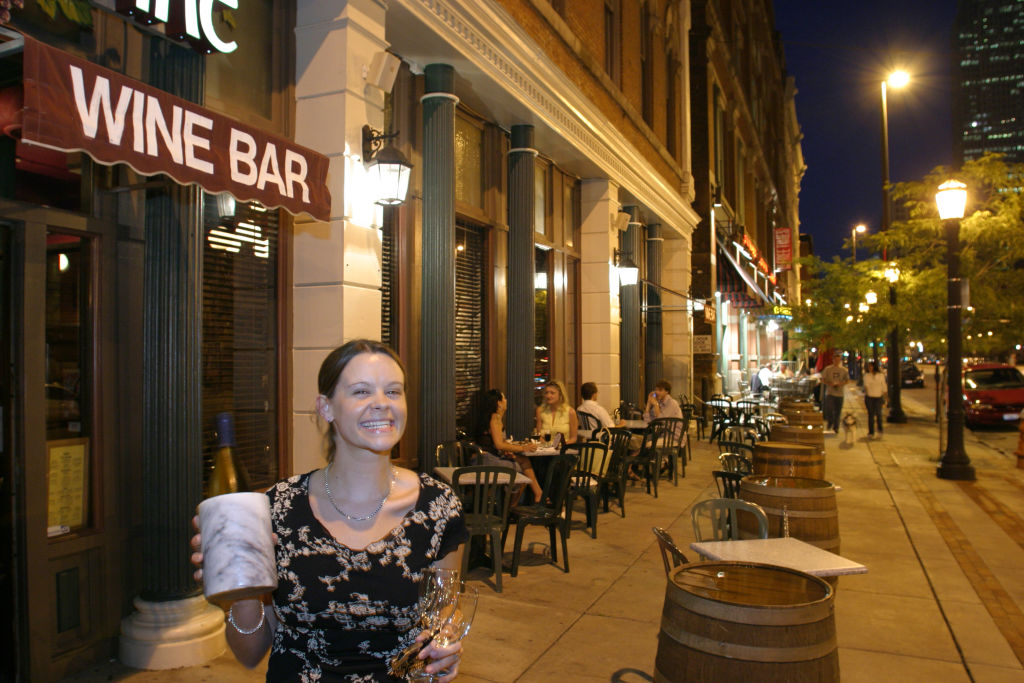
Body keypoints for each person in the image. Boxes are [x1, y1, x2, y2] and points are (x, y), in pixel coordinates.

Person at [190, 339, 468, 682]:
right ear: (326, 408)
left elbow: (443, 619)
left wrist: (446, 651)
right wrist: (243, 594)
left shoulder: (438, 506)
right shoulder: (278, 507)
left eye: (393, 391)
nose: (382, 403)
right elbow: (249, 655)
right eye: (361, 391)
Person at [474, 389, 543, 501]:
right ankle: (510, 508)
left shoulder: (496, 418)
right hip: (487, 460)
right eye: (504, 398)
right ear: (499, 403)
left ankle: (538, 493)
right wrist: (523, 447)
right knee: (521, 470)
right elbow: (499, 445)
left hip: (488, 457)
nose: (506, 400)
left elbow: (495, 443)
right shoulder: (495, 417)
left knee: (524, 460)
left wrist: (508, 450)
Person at [535, 379, 578, 445]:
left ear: (560, 394)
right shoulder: (540, 410)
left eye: (552, 393)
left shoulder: (570, 412)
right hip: (545, 450)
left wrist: (561, 446)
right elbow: (539, 435)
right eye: (546, 393)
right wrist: (547, 445)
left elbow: (573, 438)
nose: (548, 396)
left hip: (563, 450)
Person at [820, 353, 850, 434]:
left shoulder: (844, 370)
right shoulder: (828, 369)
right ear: (833, 360)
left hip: (840, 393)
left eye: (838, 360)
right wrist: (829, 383)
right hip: (830, 393)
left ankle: (836, 427)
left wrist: (841, 383)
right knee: (830, 409)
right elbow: (822, 379)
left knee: (838, 411)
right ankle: (830, 421)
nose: (836, 361)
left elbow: (847, 380)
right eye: (835, 360)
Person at [862, 361, 887, 439]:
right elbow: (866, 386)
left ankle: (880, 430)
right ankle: (871, 432)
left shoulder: (880, 376)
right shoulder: (866, 376)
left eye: (871, 366)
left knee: (879, 414)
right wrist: (866, 394)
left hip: (878, 397)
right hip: (870, 397)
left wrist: (885, 397)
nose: (870, 368)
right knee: (871, 415)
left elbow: (884, 386)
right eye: (869, 367)